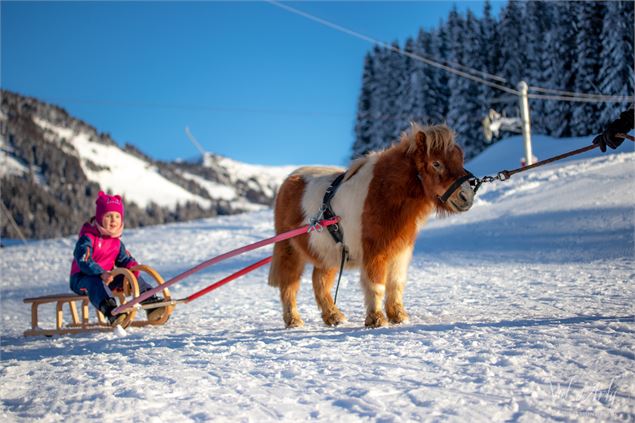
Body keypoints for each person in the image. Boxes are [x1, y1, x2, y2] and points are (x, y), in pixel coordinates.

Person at [69, 191, 166, 328]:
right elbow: (84, 260)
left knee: (130, 277)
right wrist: (100, 273)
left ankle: (150, 303)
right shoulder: (88, 237)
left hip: (107, 277)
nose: (113, 220)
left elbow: (125, 259)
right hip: (82, 278)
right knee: (95, 282)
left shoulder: (116, 242)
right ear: (99, 218)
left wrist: (132, 268)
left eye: (117, 216)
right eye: (108, 216)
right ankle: (112, 312)